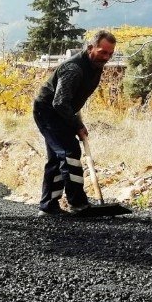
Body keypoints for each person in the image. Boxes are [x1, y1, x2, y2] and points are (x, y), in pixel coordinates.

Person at [32, 30, 117, 216]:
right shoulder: (73, 69)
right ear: (90, 48)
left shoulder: (95, 66)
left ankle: (48, 207)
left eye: (110, 54)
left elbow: (71, 101)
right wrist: (76, 125)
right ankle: (77, 203)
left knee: (56, 158)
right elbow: (60, 102)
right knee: (70, 153)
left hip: (61, 111)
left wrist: (77, 122)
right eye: (103, 52)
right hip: (47, 112)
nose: (107, 57)